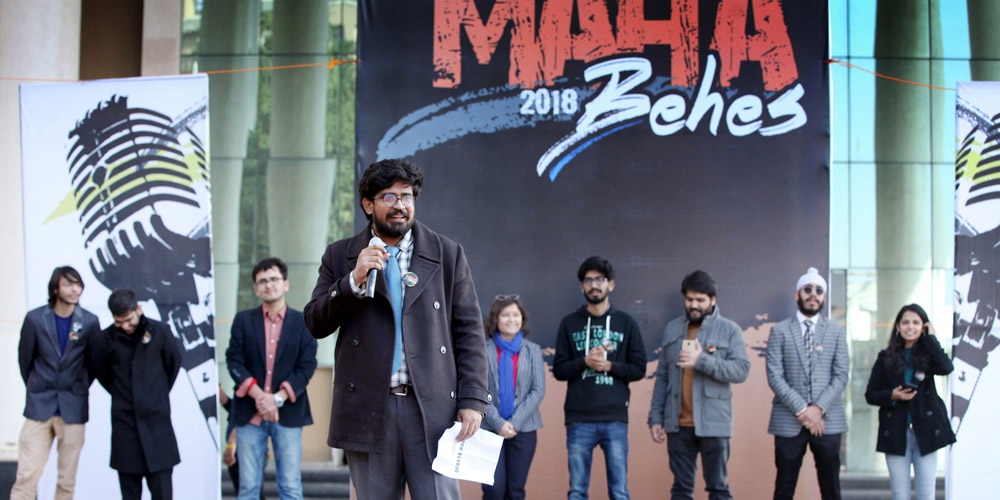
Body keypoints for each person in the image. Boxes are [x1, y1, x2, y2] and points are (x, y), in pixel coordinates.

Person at [304, 158, 490, 500]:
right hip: (368, 408)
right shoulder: (341, 255)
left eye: (406, 197)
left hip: (432, 409)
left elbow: (470, 333)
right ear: (368, 205)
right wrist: (352, 281)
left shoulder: (447, 254)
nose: (400, 205)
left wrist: (474, 399)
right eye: (388, 197)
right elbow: (315, 322)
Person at [648, 270, 750, 500]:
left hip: (714, 423)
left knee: (718, 489)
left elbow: (741, 370)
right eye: (689, 299)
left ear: (713, 300)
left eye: (700, 300)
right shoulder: (672, 329)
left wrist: (701, 360)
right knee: (681, 490)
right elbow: (662, 377)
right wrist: (655, 418)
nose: (694, 305)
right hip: (678, 424)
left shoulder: (729, 329)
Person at [553, 256, 646, 500]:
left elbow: (638, 369)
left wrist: (609, 366)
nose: (594, 285)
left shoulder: (626, 322)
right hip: (578, 419)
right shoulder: (569, 323)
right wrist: (584, 361)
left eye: (600, 279)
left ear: (610, 284)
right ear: (581, 286)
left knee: (619, 491)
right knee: (577, 491)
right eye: (588, 280)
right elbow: (559, 370)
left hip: (615, 418)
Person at [227, 257, 318, 500]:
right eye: (263, 281)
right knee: (248, 487)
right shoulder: (243, 321)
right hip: (249, 413)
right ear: (256, 289)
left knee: (290, 487)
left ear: (285, 284)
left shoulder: (303, 322)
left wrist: (276, 399)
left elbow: (307, 366)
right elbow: (234, 360)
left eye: (274, 279)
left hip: (288, 412)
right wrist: (260, 397)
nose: (269, 285)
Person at [11, 266, 100, 500]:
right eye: (68, 284)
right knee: (27, 475)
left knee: (66, 481)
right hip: (39, 407)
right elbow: (25, 359)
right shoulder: (35, 319)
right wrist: (36, 385)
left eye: (77, 284)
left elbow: (93, 364)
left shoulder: (89, 322)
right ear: (55, 288)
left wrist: (78, 387)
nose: (74, 289)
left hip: (73, 408)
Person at [88, 289, 183, 500]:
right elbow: (102, 373)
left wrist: (154, 394)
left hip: (157, 425)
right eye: (118, 321)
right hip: (125, 427)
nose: (125, 326)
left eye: (129, 320)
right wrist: (125, 394)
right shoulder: (104, 340)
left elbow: (173, 364)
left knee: (163, 493)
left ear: (138, 309)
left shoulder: (160, 331)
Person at [766, 267, 849, 500]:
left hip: (828, 420)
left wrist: (818, 409)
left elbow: (841, 374)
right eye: (808, 289)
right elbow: (774, 376)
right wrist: (803, 410)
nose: (813, 294)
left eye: (819, 291)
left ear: (824, 297)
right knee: (784, 488)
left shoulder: (836, 331)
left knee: (831, 489)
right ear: (797, 294)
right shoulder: (779, 331)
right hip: (788, 419)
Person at [865, 304, 955, 500]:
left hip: (926, 431)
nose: (910, 327)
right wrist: (892, 395)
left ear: (923, 326)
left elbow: (946, 368)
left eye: (916, 322)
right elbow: (871, 394)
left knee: (926, 494)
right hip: (896, 431)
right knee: (900, 494)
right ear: (898, 326)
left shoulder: (929, 355)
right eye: (905, 322)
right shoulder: (885, 357)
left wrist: (931, 338)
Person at [481, 294, 546, 500]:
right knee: (493, 490)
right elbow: (479, 390)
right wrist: (498, 423)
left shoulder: (532, 350)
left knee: (515, 491)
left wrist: (514, 423)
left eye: (515, 315)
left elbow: (538, 390)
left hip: (524, 429)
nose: (511, 320)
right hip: (490, 428)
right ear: (496, 319)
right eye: (505, 315)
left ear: (522, 319)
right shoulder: (482, 350)